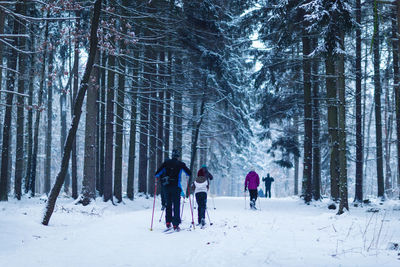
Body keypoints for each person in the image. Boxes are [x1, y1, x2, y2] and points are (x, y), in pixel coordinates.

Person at [155, 149, 191, 231]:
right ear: (178, 156)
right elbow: (189, 173)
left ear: (172, 155)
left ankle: (168, 222)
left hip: (167, 187)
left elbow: (157, 173)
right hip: (176, 187)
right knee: (176, 205)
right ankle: (175, 224)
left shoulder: (166, 163)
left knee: (168, 204)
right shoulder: (181, 164)